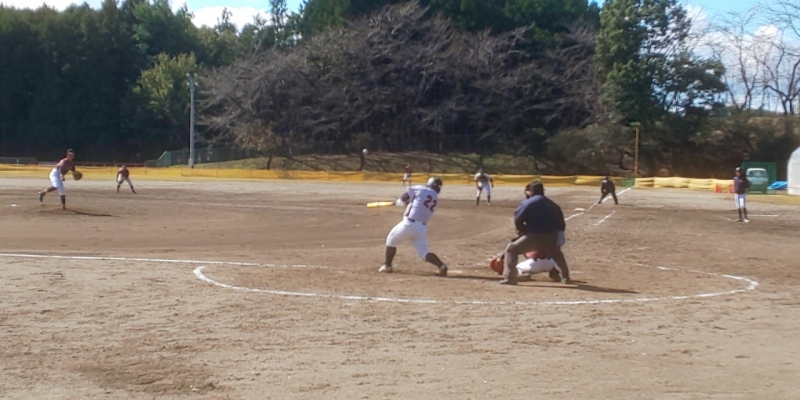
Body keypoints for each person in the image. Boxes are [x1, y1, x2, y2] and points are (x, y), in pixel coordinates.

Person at [502, 181, 571, 285]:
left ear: (531, 191)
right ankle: (566, 277)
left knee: (511, 249)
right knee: (556, 253)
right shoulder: (553, 204)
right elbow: (562, 224)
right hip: (552, 236)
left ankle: (510, 278)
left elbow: (518, 219)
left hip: (535, 236)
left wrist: (523, 231)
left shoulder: (527, 203)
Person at [379, 177, 448, 277]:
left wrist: (400, 201)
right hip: (421, 228)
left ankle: (387, 266)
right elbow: (418, 203)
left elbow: (406, 196)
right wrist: (406, 202)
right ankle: (441, 265)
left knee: (391, 240)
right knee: (424, 253)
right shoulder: (435, 199)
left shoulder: (422, 189)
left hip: (409, 224)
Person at [490, 249, 563, 283]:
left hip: (534, 265)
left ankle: (520, 274)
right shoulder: (544, 235)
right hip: (551, 263)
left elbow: (510, 248)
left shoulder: (525, 238)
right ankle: (553, 272)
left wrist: (501, 258)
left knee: (517, 267)